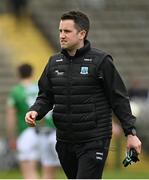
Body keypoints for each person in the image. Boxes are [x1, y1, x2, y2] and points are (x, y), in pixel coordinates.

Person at [25, 11, 142, 179]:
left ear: (82, 34)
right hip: (65, 141)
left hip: (94, 140)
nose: (62, 36)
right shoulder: (53, 62)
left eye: (67, 31)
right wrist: (35, 110)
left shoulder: (101, 61)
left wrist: (130, 133)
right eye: (60, 31)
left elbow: (119, 98)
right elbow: (46, 96)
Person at [6, 63, 60, 179]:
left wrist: (12, 137)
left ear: (18, 74)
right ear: (32, 72)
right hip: (51, 132)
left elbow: (11, 116)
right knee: (49, 173)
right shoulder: (40, 87)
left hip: (28, 132)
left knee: (29, 172)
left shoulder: (16, 91)